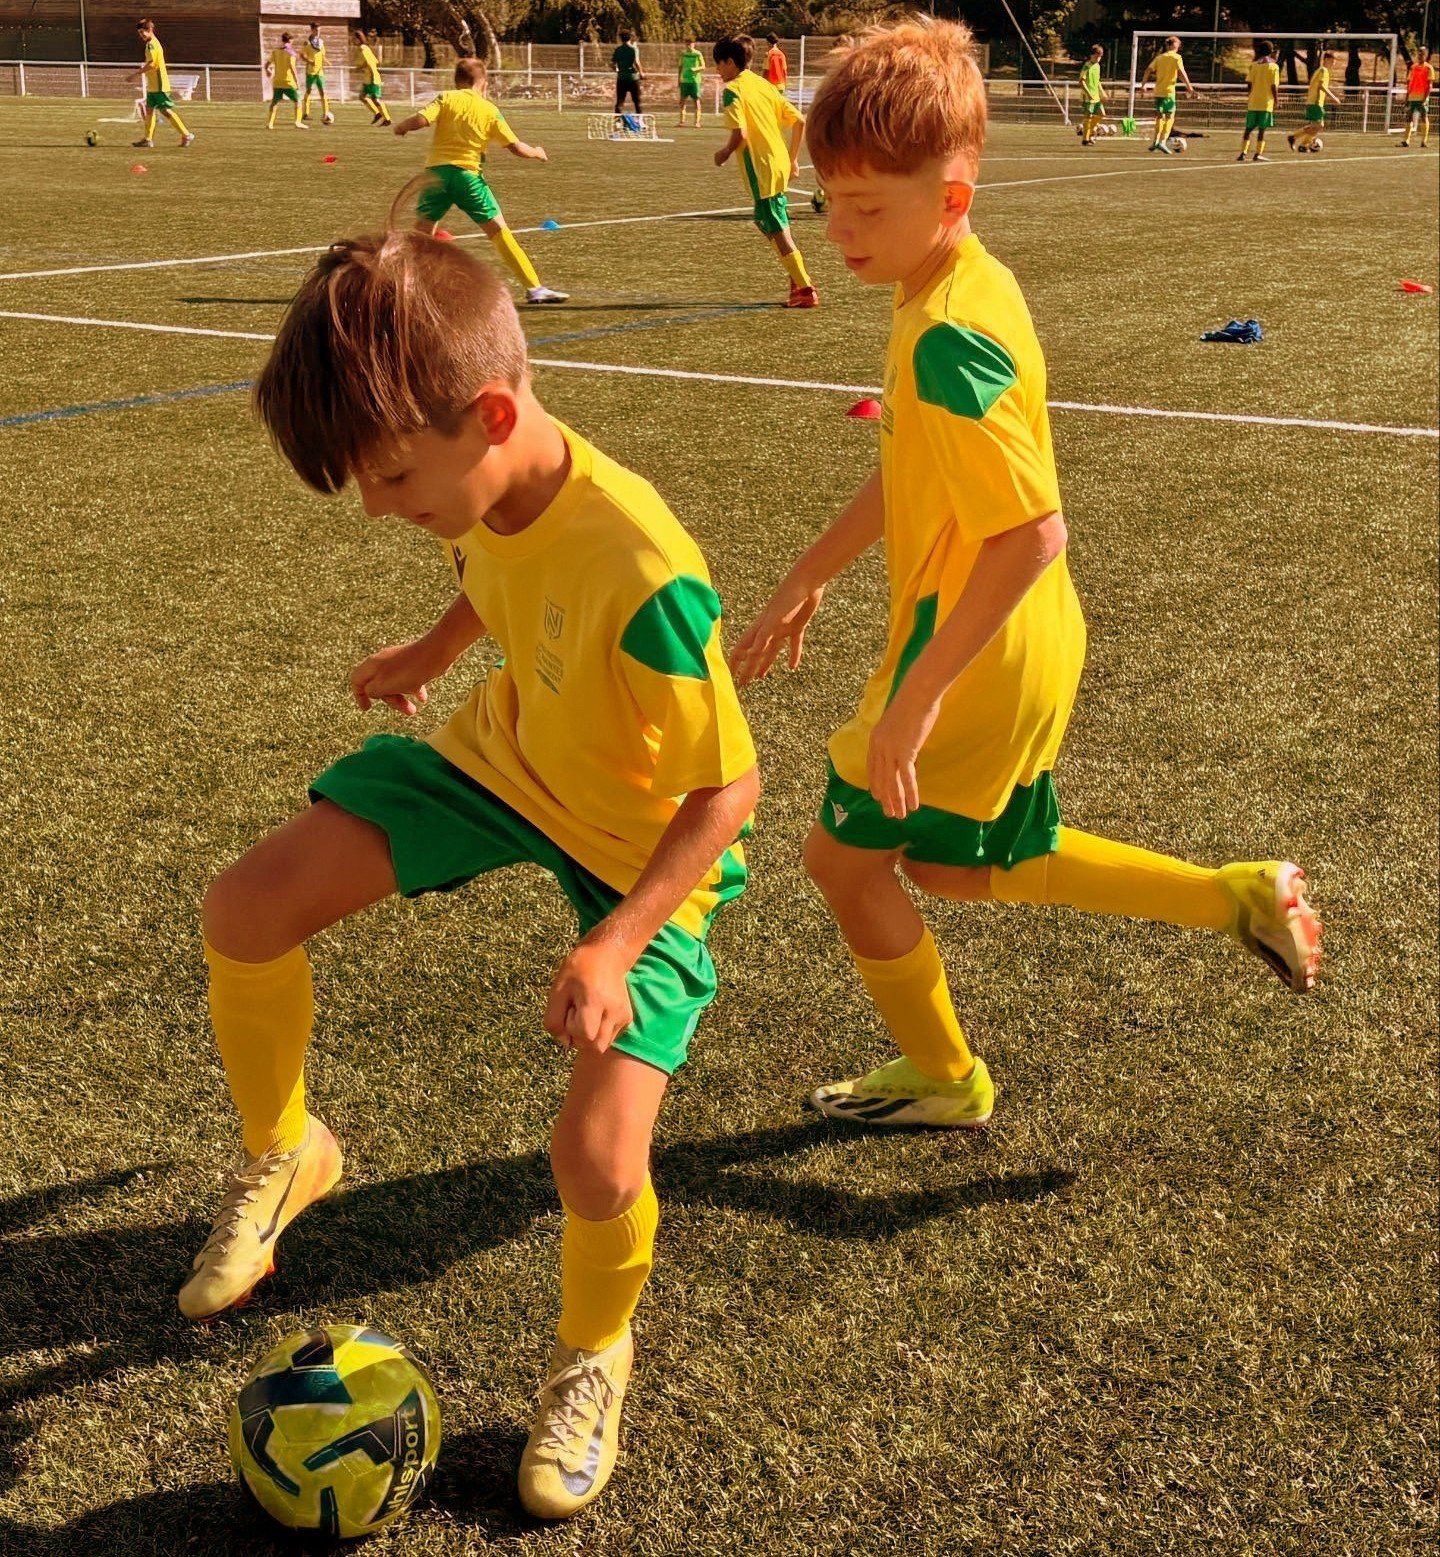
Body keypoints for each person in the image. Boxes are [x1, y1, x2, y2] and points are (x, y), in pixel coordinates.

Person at [178, 228, 759, 1520]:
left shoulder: (647, 573)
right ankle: (291, 1150)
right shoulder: (489, 479)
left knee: (597, 1163)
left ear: (493, 412)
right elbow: (494, 566)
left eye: (390, 478)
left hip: (641, 853)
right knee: (246, 909)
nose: (378, 508)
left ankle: (594, 1350)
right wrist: (435, 640)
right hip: (507, 762)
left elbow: (730, 791)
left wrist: (616, 944)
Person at [730, 18, 1321, 1133]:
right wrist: (805, 578)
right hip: (1021, 633)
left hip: (979, 639)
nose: (845, 232)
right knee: (954, 869)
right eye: (830, 204)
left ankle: (949, 1078)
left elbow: (1030, 532)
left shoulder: (951, 329)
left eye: (870, 208)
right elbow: (915, 465)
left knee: (845, 865)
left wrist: (915, 703)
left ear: (950, 198)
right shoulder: (953, 284)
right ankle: (1233, 896)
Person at [393, 57, 567, 305]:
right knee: (498, 231)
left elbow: (421, 119)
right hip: (467, 178)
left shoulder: (446, 98)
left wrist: (401, 127)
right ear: (482, 83)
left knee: (422, 236)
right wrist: (538, 152)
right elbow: (516, 147)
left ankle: (403, 287)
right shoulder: (488, 109)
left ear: (457, 81)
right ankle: (534, 288)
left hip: (436, 176)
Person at [712, 34, 818, 308]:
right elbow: (800, 121)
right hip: (779, 162)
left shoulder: (733, 90)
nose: (717, 70)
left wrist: (724, 153)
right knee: (765, 221)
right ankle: (796, 276)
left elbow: (740, 134)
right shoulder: (764, 85)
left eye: (719, 64)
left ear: (730, 62)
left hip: (762, 168)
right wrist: (793, 159)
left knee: (776, 228)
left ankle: (804, 289)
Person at [132, 18, 194, 149]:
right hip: (154, 85)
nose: (141, 35)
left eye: (143, 32)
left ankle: (186, 134)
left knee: (166, 111)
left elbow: (152, 64)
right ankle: (148, 139)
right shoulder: (151, 43)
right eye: (140, 32)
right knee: (149, 111)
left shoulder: (152, 45)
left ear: (150, 30)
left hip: (160, 85)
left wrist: (136, 74)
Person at [1140, 35, 1193, 153]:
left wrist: (1143, 85)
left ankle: (1155, 142)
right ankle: (1162, 141)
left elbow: (1148, 70)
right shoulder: (1177, 57)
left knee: (1159, 116)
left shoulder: (1160, 58)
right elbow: (1182, 73)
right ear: (1176, 45)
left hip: (1158, 91)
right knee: (1170, 117)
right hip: (1169, 93)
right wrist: (1189, 87)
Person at [1239, 39, 1280, 162]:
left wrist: (1250, 95)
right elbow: (1274, 86)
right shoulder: (1273, 67)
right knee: (1262, 129)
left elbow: (1249, 84)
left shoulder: (1254, 65)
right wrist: (1277, 100)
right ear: (1271, 51)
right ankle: (1257, 154)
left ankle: (1243, 153)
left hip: (1253, 102)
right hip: (1266, 102)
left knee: (1248, 128)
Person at [1288, 51, 1338, 152]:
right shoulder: (1323, 71)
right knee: (1319, 126)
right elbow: (1321, 86)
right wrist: (1333, 97)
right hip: (1315, 102)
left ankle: (1303, 145)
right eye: (1332, 61)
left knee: (1315, 127)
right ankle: (1294, 137)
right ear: (1327, 60)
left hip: (1315, 102)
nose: (1333, 64)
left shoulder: (1321, 71)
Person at [265, 32, 306, 131]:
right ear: (290, 41)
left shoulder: (275, 52)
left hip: (277, 82)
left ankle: (270, 124)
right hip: (288, 82)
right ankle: (298, 122)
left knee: (274, 102)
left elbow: (266, 65)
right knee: (298, 101)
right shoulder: (290, 52)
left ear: (282, 40)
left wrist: (268, 71)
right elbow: (292, 68)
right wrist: (297, 81)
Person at [353, 27, 391, 126]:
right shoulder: (366, 48)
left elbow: (370, 62)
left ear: (358, 39)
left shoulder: (363, 48)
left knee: (375, 100)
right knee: (362, 97)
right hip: (368, 78)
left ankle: (387, 119)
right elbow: (376, 61)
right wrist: (362, 66)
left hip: (372, 78)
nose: (353, 41)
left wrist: (361, 67)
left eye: (354, 38)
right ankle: (377, 114)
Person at [1400, 47, 1435, 148]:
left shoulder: (1429, 68)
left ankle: (1423, 141)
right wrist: (1407, 97)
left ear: (1425, 55)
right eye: (1419, 53)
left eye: (1422, 54)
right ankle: (1406, 140)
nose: (1420, 55)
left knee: (1424, 117)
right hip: (1412, 96)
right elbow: (1409, 83)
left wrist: (1425, 98)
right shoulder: (1413, 67)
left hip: (1422, 97)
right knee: (1408, 117)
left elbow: (1429, 85)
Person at [300, 23, 331, 124]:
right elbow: (302, 55)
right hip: (310, 71)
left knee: (323, 92)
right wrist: (310, 61)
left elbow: (322, 54)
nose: (318, 32)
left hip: (319, 71)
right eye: (316, 30)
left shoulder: (321, 42)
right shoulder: (307, 42)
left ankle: (326, 112)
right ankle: (306, 113)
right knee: (309, 91)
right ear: (312, 30)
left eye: (319, 30)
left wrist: (326, 61)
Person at [1078, 43, 1106, 145]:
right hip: (1088, 96)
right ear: (1093, 55)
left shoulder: (1097, 66)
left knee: (1102, 114)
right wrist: (1088, 93)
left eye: (1101, 56)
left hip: (1096, 96)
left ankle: (1088, 132)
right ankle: (1085, 139)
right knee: (1088, 116)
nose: (1100, 58)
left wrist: (1102, 92)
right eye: (1098, 55)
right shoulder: (1087, 66)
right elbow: (1081, 81)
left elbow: (1098, 81)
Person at [612, 30, 643, 116]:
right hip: (633, 78)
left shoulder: (618, 50)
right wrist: (641, 73)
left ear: (621, 39)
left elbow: (613, 64)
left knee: (620, 101)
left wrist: (618, 69)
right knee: (637, 101)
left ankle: (617, 123)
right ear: (630, 38)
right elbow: (636, 62)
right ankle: (640, 122)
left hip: (621, 78)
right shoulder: (633, 49)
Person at [677, 37, 704, 127]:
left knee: (696, 101)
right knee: (682, 101)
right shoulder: (683, 54)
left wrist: (696, 69)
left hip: (695, 81)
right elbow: (680, 67)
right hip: (685, 80)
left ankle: (697, 122)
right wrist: (679, 80)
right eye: (687, 44)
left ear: (694, 44)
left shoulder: (697, 54)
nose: (688, 45)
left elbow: (703, 66)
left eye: (690, 43)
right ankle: (682, 121)